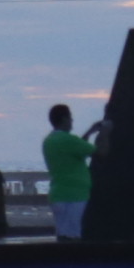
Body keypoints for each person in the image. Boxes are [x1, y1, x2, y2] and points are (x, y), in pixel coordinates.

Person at [42, 103, 96, 241]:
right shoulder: (69, 140)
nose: (72, 121)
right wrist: (106, 130)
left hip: (58, 194)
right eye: (70, 117)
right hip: (74, 196)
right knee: (73, 236)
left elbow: (78, 148)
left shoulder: (49, 141)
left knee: (62, 234)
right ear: (64, 119)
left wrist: (90, 132)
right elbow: (100, 152)